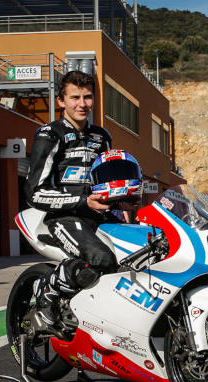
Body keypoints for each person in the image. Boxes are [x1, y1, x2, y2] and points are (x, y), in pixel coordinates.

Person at [24, 70, 140, 326]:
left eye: (87, 97)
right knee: (102, 259)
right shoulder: (49, 135)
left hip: (98, 215)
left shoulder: (101, 137)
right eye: (75, 97)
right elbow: (34, 193)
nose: (82, 103)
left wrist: (124, 200)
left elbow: (108, 185)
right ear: (61, 101)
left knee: (143, 252)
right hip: (64, 216)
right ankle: (47, 294)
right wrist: (81, 201)